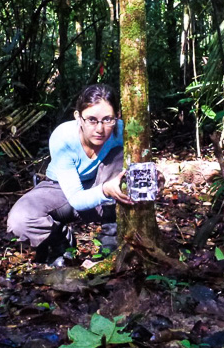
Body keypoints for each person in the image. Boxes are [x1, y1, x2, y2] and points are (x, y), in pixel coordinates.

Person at [7, 84, 132, 264]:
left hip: (103, 192)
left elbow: (140, 167)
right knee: (21, 219)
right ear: (78, 118)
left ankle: (110, 245)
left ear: (117, 117)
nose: (100, 128)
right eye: (91, 120)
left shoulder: (121, 131)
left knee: (119, 155)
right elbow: (76, 199)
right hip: (62, 190)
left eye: (107, 119)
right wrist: (105, 190)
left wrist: (154, 179)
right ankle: (60, 242)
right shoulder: (63, 138)